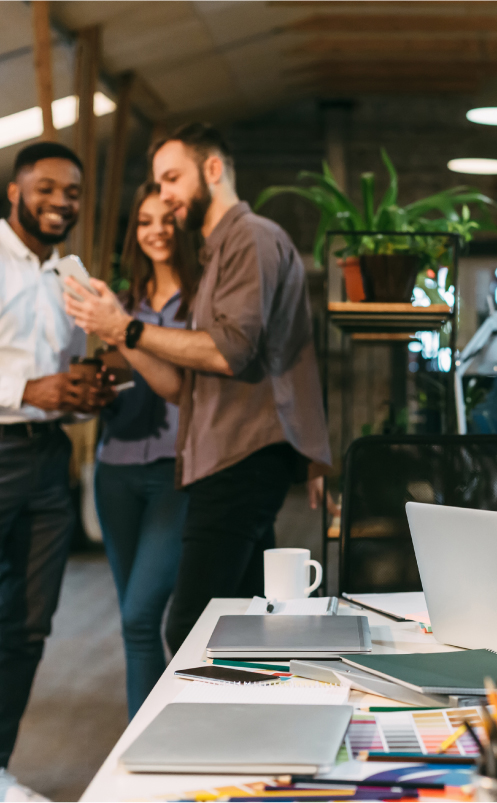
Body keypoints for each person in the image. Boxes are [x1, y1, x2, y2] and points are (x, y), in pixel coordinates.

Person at [65, 123, 331, 653]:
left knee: (188, 631)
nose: (165, 194)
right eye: (159, 184)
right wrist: (115, 323)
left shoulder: (250, 237)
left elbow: (228, 351)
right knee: (249, 627)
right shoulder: (215, 253)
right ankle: (262, 732)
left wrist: (128, 329)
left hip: (241, 456)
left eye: (172, 179)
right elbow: (177, 387)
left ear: (212, 169)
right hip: (219, 456)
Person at [0, 142, 111, 767]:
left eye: (71, 192)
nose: (60, 202)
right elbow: (28, 384)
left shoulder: (70, 273)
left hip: (49, 463)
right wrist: (28, 389)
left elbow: (62, 378)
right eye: (46, 187)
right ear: (15, 192)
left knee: (28, 627)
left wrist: (81, 392)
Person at [93, 182, 200, 718]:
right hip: (114, 469)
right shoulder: (122, 300)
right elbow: (116, 376)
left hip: (175, 471)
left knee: (143, 614)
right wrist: (97, 383)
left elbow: (184, 385)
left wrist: (129, 340)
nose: (155, 230)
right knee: (134, 624)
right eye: (143, 221)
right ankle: (147, 742)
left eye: (166, 219)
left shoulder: (205, 299)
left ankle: (173, 730)